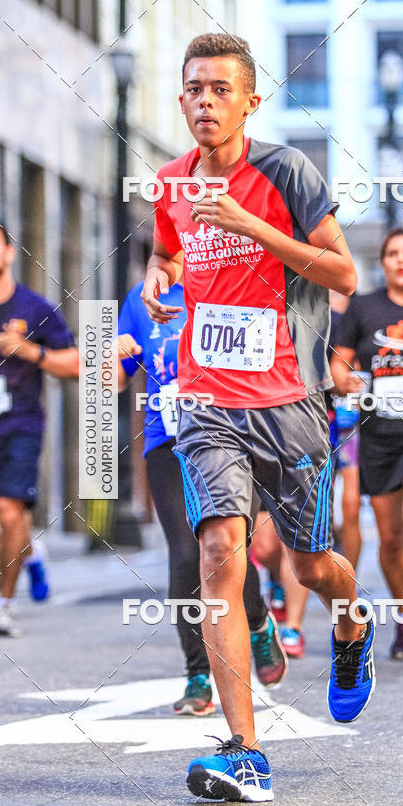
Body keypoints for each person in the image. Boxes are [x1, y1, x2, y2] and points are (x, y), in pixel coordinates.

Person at [141, 33, 374, 803]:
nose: (204, 101)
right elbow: (170, 252)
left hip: (293, 403)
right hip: (208, 401)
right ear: (181, 100)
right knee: (218, 554)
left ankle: (351, 626)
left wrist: (254, 230)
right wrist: (156, 273)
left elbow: (344, 273)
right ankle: (245, 750)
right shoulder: (171, 183)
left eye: (219, 89)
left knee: (311, 566)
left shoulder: (285, 172)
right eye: (193, 89)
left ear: (249, 101)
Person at [116, 281, 287, 714]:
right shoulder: (140, 298)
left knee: (228, 548)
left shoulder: (228, 279)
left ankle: (258, 621)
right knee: (186, 554)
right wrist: (111, 354)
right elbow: (115, 382)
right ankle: (197, 673)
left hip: (228, 436)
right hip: (168, 440)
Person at [332, 227, 403, 661]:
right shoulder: (363, 308)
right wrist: (342, 375)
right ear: (383, 263)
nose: (401, 259)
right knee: (389, 537)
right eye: (393, 253)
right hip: (376, 436)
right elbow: (340, 359)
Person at [0, 219, 79, 635]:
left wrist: (29, 351)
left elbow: (75, 364)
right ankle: (20, 548)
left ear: (7, 252)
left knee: (10, 508)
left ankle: (4, 605)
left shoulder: (34, 309)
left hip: (19, 425)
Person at [327, 290, 362, 570]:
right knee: (319, 507)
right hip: (317, 417)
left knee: (351, 505)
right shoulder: (304, 303)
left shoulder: (361, 311)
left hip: (353, 420)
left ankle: (350, 580)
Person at [250, 506, 309, 658]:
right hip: (261, 481)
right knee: (264, 550)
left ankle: (293, 628)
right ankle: (278, 579)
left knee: (293, 543)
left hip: (296, 483)